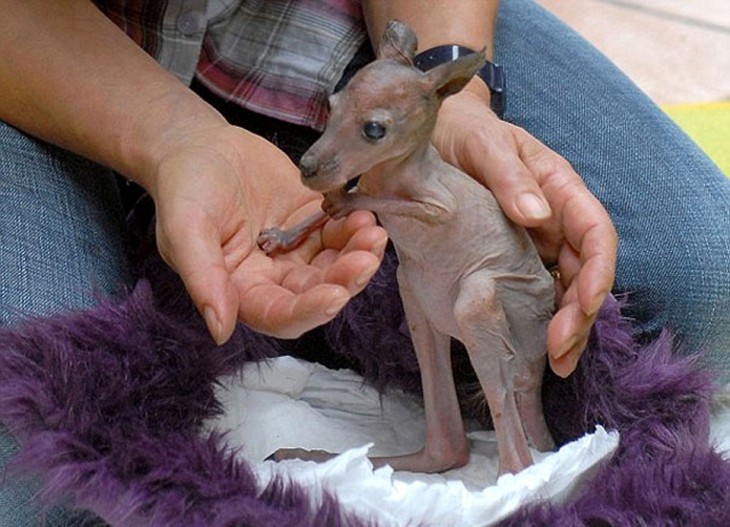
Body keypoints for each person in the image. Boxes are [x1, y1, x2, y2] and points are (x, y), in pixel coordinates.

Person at [0, 1, 727, 524]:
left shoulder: (407, 123)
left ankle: (511, 459)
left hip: (319, 28)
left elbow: (431, 206)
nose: (329, 155)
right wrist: (172, 136)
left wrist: (461, 99)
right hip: (64, 39)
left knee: (701, 282)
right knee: (30, 458)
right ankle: (437, 431)